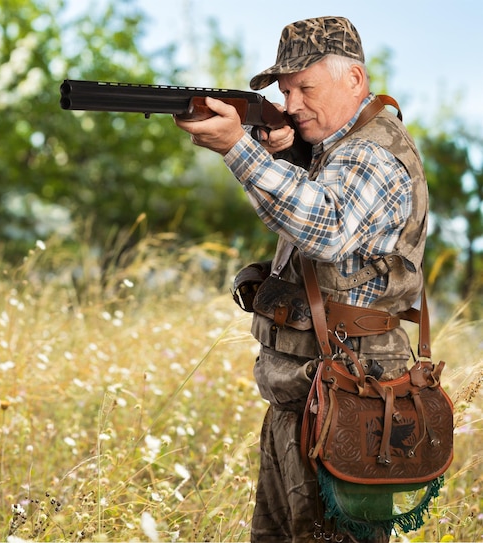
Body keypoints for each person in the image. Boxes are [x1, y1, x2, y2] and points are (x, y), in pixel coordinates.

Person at [174, 16, 428, 543]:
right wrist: (284, 154)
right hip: (305, 391)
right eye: (285, 91)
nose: (290, 104)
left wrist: (237, 150)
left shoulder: (372, 152)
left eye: (305, 88)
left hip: (352, 396)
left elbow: (328, 227)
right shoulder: (331, 151)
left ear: (354, 80)